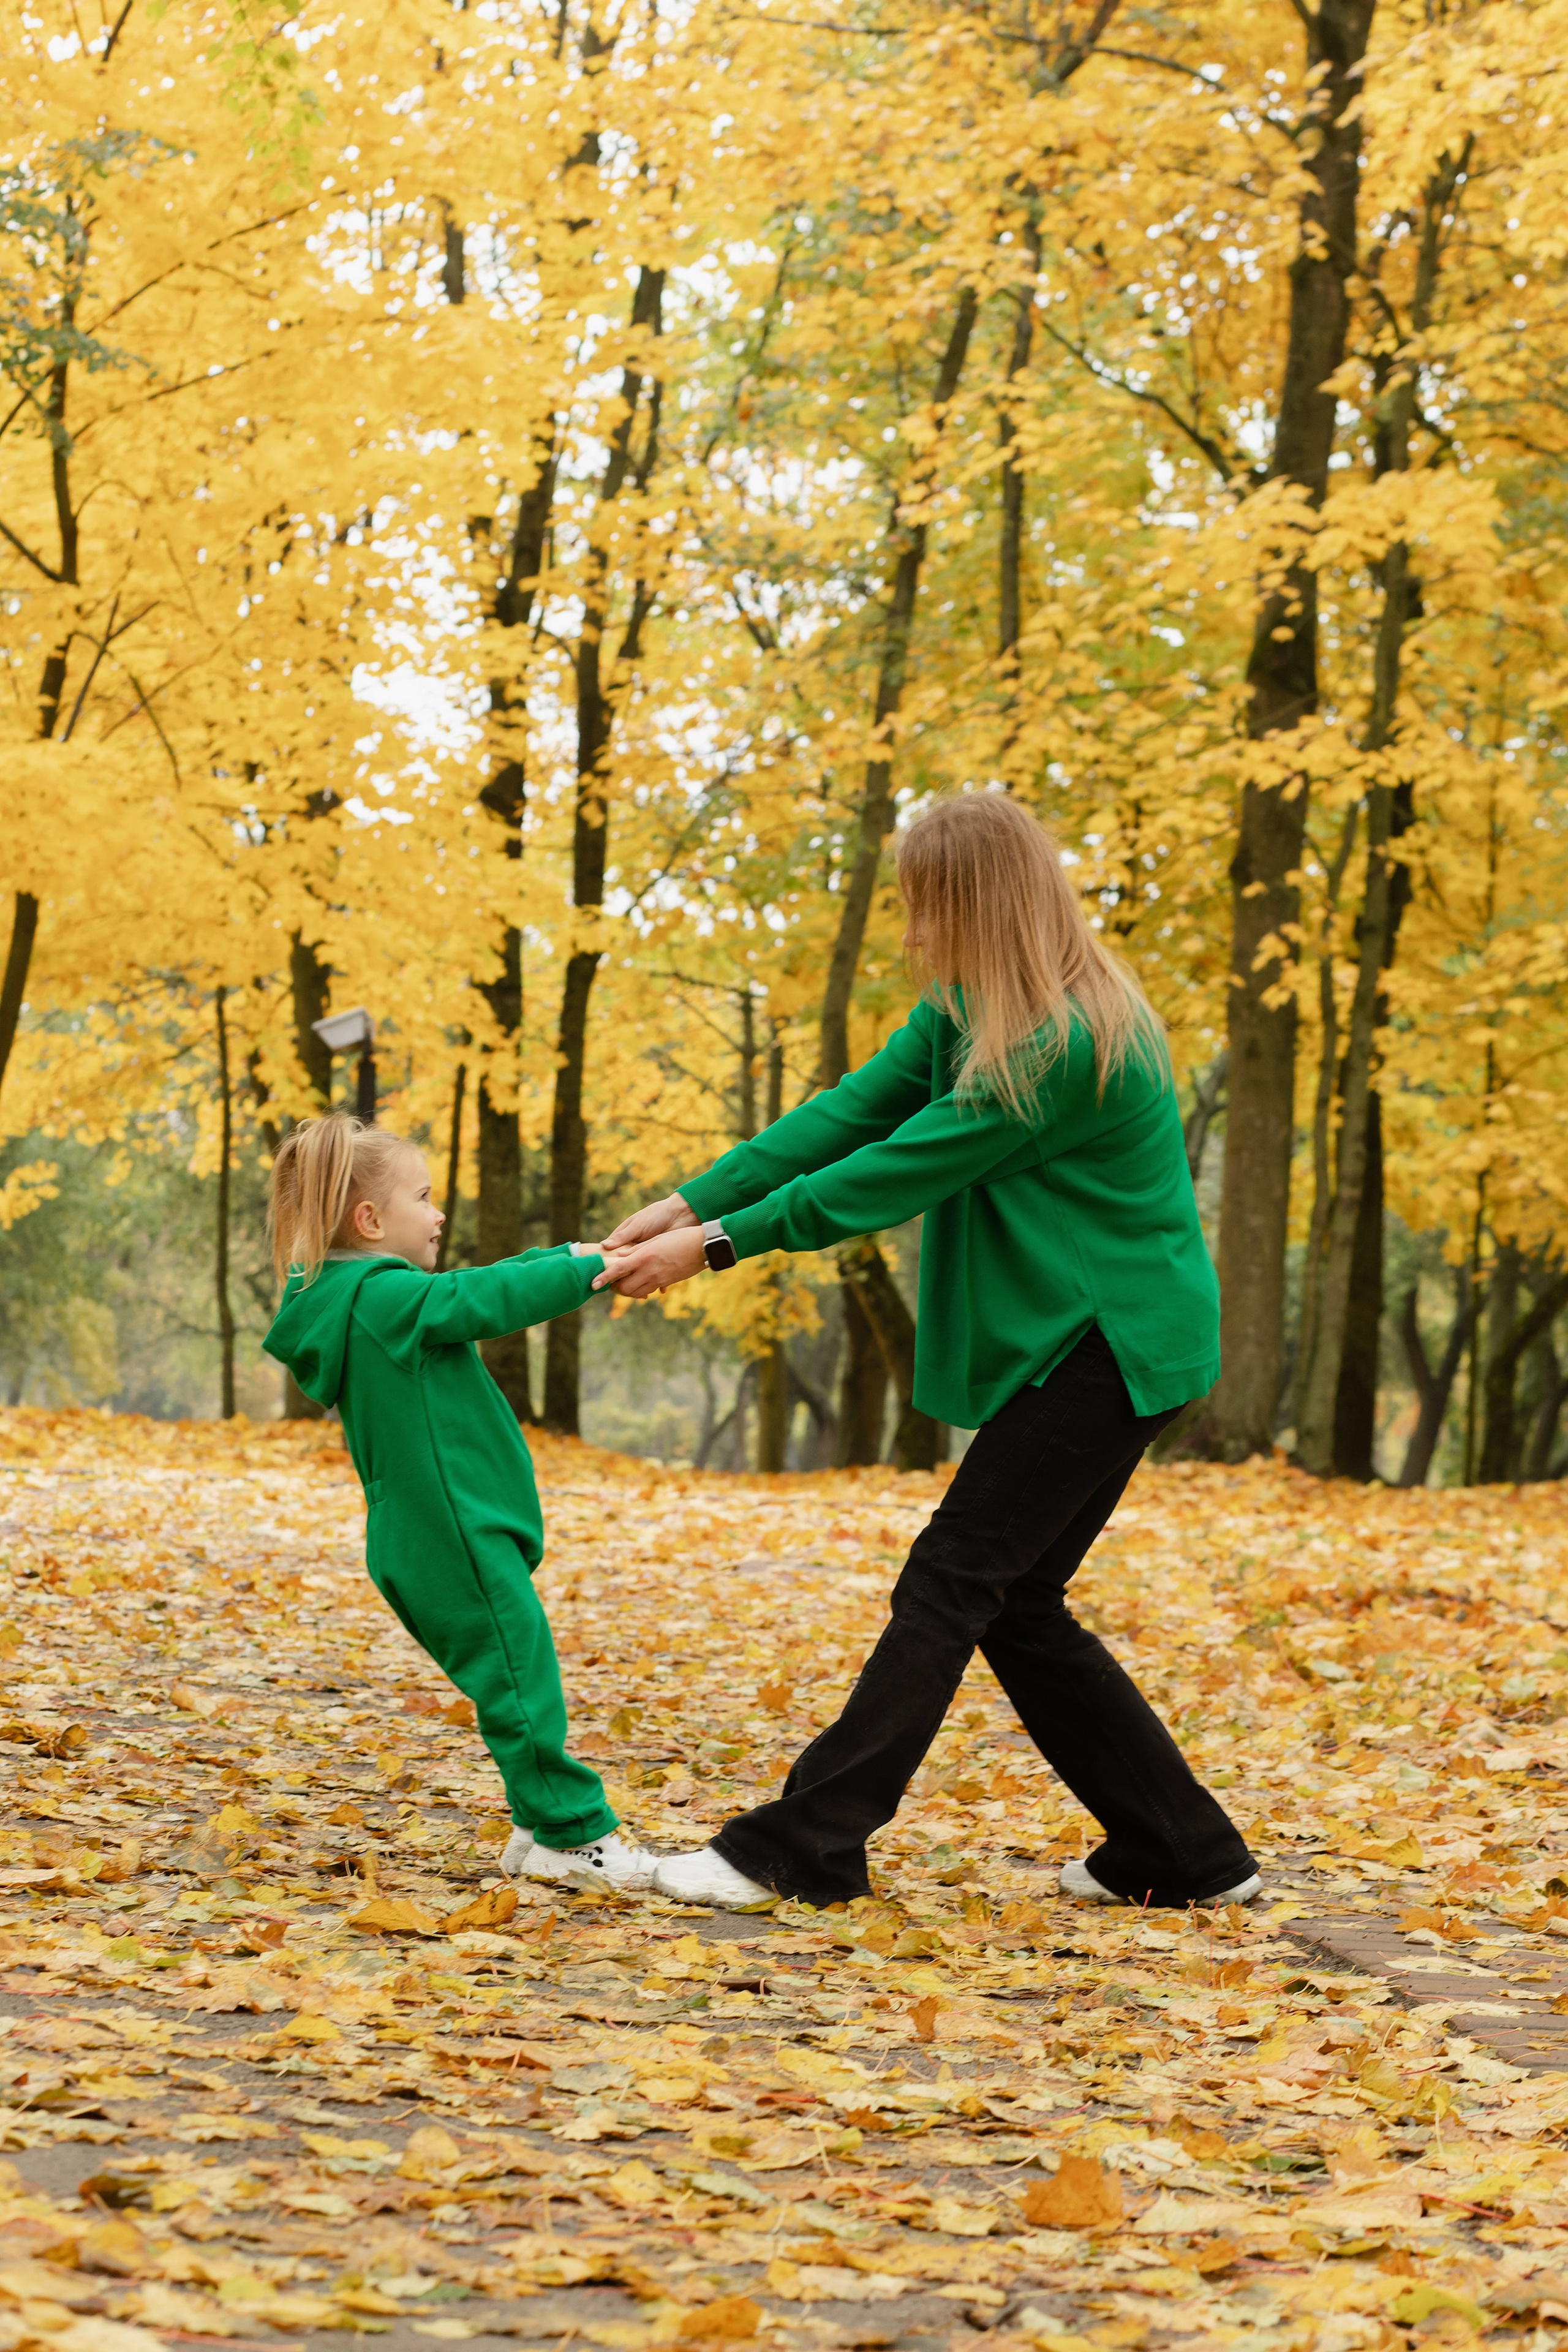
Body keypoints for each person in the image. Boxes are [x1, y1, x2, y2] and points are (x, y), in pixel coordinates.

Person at [597, 792, 1259, 1913]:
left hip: (1113, 1343)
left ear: (981, 908)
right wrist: (688, 1199)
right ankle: (1184, 1852)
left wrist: (710, 1248)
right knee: (1016, 1600)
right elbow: (847, 1116)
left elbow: (887, 1175)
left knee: (954, 1583)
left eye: (925, 910)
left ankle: (802, 1846)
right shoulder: (973, 1011)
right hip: (1106, 1338)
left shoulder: (1063, 1042)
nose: (909, 936)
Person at [265, 1114, 656, 1893]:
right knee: (520, 1676)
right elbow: (485, 1298)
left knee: (510, 1674)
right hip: (451, 1532)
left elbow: (474, 1290)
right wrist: (588, 1270)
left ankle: (536, 1827)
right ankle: (575, 1835)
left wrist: (572, 1255)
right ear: (370, 1222)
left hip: (437, 1529)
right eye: (423, 1196)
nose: (439, 1212)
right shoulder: (384, 1301)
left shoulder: (363, 1301)